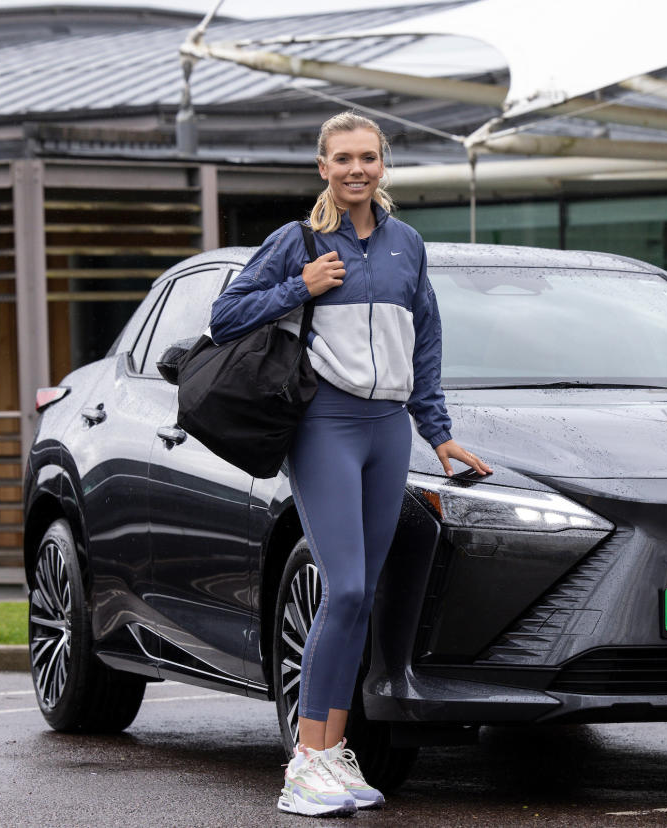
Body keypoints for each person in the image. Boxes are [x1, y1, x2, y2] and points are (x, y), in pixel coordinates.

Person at [209, 111, 491, 817]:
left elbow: (425, 337)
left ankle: (333, 754)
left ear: (382, 165)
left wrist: (439, 431)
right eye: (343, 158)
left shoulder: (407, 245)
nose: (357, 168)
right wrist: (300, 285)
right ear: (323, 166)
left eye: (368, 157)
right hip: (325, 426)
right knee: (344, 588)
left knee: (364, 595)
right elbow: (224, 316)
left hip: (388, 429)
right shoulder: (297, 241)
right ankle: (303, 763)